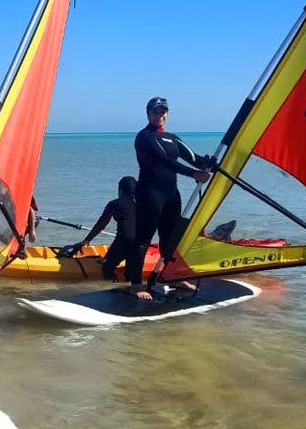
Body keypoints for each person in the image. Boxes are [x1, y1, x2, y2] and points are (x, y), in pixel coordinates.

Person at [129, 97, 211, 301]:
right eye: (156, 112)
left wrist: (213, 163)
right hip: (150, 193)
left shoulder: (173, 138)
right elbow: (163, 161)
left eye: (164, 111)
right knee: (143, 240)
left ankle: (172, 277)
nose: (160, 115)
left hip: (171, 194)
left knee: (171, 238)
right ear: (148, 114)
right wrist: (193, 175)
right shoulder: (144, 137)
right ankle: (135, 284)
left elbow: (195, 159)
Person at [59, 176, 138, 282]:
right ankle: (129, 290)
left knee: (107, 266)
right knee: (131, 270)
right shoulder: (142, 204)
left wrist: (87, 240)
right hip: (141, 241)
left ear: (120, 190)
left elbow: (102, 224)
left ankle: (111, 291)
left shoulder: (115, 203)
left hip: (124, 239)